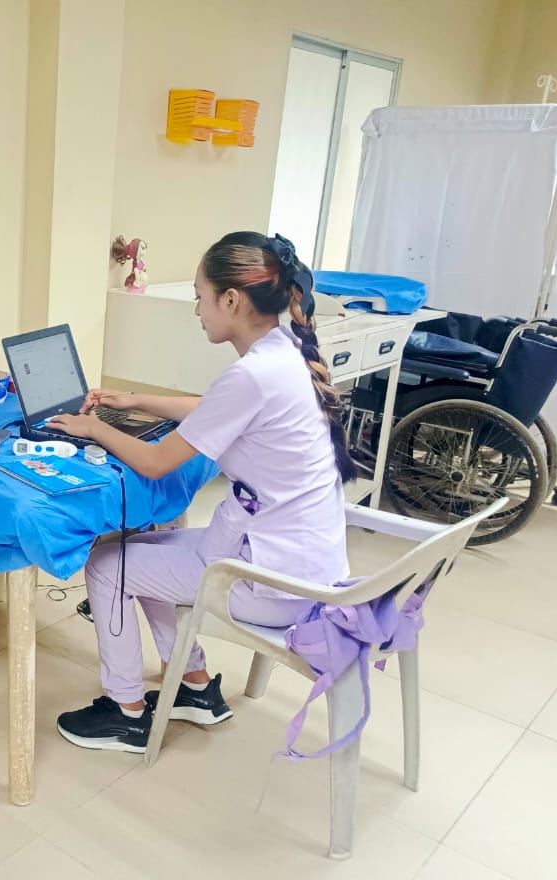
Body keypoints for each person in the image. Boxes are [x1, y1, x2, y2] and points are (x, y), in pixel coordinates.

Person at [48, 231, 353, 753]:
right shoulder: (287, 351)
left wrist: (93, 428)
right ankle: (193, 687)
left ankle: (125, 714)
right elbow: (219, 408)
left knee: (106, 565)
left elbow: (155, 462)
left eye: (199, 296)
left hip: (271, 582)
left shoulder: (253, 374)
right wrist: (135, 400)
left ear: (231, 300)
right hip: (305, 566)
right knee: (141, 551)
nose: (196, 310)